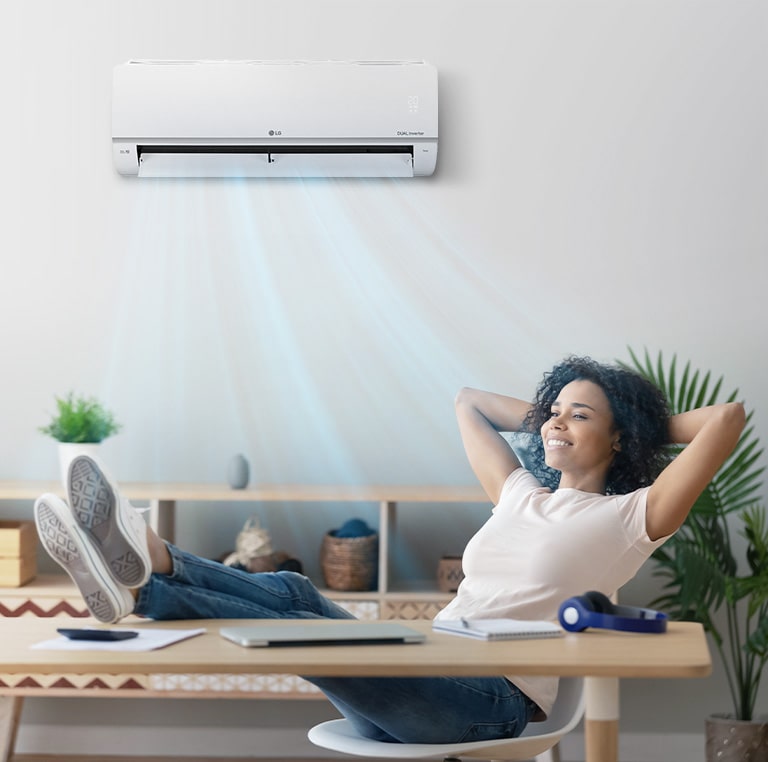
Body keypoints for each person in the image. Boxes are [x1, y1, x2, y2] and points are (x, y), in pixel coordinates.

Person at [34, 356, 746, 745]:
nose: (555, 421)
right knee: (300, 597)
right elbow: (467, 400)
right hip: (425, 664)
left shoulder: (629, 516)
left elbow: (727, 418)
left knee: (303, 630)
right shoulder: (522, 493)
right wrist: (558, 414)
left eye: (577, 415)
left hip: (486, 703)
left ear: (620, 439)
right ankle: (149, 563)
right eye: (552, 410)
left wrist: (636, 419)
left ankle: (146, 577)